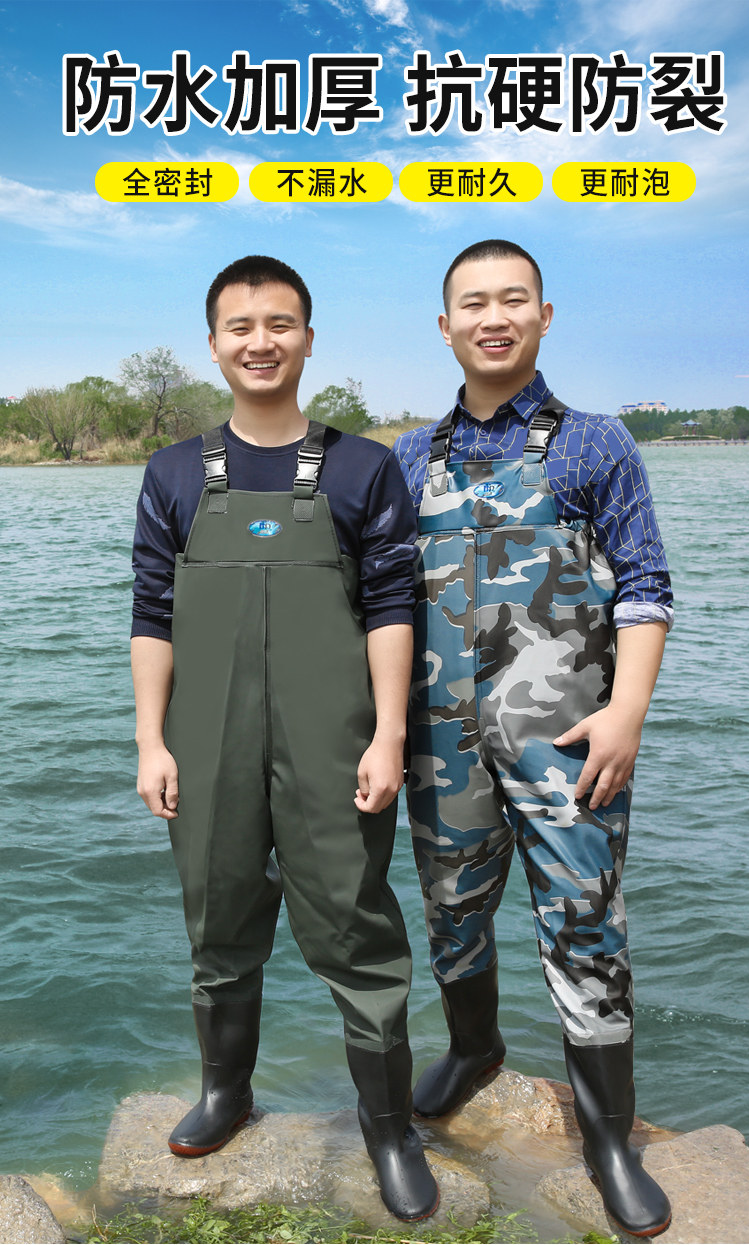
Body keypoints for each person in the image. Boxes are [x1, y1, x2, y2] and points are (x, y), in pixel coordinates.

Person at [130, 255, 438, 1222]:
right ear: (214, 343)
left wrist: (389, 735)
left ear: (308, 338)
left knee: (356, 923)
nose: (260, 342)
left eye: (280, 324)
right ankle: (227, 1092)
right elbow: (151, 613)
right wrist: (151, 740)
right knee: (217, 915)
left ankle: (389, 1128)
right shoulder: (173, 473)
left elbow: (392, 605)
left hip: (334, 737)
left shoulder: (363, 467)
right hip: (206, 737)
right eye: (241, 326)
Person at [393, 240, 673, 1238]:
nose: (493, 317)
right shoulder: (406, 458)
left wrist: (628, 711)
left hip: (570, 737)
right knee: (451, 909)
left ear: (543, 316)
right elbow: (376, 605)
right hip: (439, 740)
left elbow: (646, 586)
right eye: (473, 303)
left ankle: (606, 1137)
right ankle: (475, 1050)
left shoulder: (596, 444)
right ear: (446, 327)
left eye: (513, 299)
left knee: (584, 918)